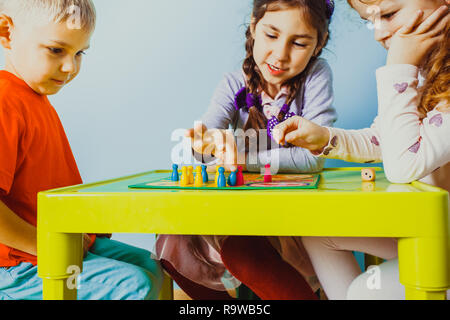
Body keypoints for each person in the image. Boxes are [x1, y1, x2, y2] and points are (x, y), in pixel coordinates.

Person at [155, 0, 337, 300]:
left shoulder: (316, 77)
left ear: (319, 44)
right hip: (244, 212)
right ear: (254, 26)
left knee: (244, 251)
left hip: (292, 215)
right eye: (271, 35)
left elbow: (314, 157)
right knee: (173, 238)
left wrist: (243, 159)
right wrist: (205, 145)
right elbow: (203, 146)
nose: (280, 54)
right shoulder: (232, 84)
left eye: (299, 43)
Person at [273, 0, 449, 299]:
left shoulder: (406, 72)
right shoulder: (424, 72)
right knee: (319, 234)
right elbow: (389, 139)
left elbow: (404, 163)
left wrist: (397, 67)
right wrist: (325, 137)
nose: (379, 33)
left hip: (442, 242)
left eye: (390, 14)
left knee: (362, 293)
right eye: (371, 20)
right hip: (434, 232)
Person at [0, 0, 162, 300]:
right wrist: (46, 245)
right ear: (7, 32)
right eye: (56, 50)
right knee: (135, 285)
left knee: (155, 269)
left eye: (79, 53)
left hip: (60, 241)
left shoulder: (36, 99)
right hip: (14, 262)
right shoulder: (5, 102)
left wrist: (86, 225)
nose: (70, 67)